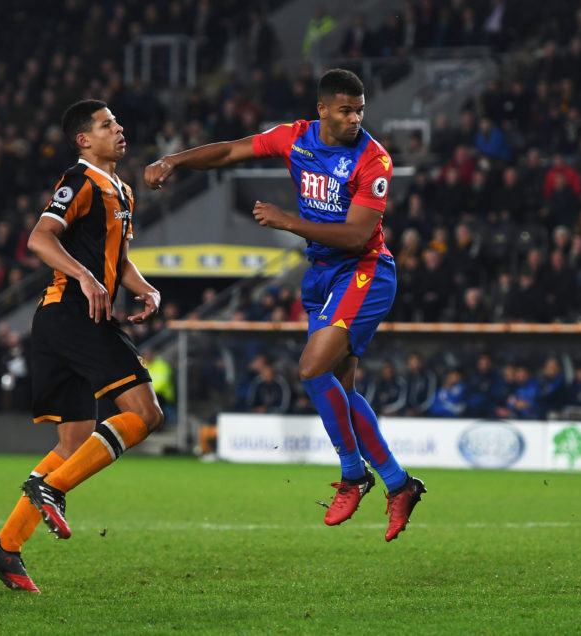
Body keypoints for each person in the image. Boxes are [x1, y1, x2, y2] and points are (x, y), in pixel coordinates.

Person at [145, 69, 425, 542]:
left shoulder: (373, 159)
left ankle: (354, 474)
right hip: (321, 276)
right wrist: (175, 160)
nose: (355, 118)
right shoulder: (294, 139)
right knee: (340, 389)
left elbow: (359, 235)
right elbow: (232, 151)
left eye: (360, 110)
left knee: (312, 369)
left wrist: (286, 222)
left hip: (365, 271)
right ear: (322, 110)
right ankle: (399, 484)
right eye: (345, 110)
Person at [0, 100, 164, 593]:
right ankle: (51, 488)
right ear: (84, 140)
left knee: (73, 443)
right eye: (107, 125)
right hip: (73, 315)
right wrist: (85, 278)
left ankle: (6, 547)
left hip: (68, 318)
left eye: (118, 122)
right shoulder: (79, 180)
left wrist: (145, 287)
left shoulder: (122, 189)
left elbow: (118, 260)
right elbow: (39, 240)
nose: (119, 129)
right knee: (146, 414)